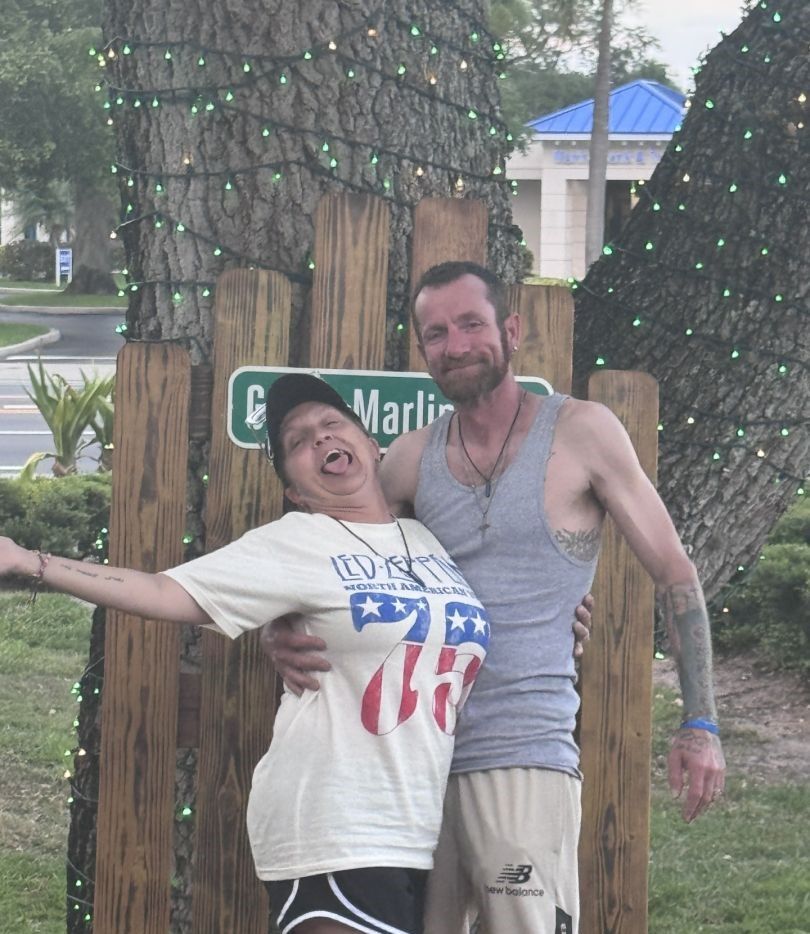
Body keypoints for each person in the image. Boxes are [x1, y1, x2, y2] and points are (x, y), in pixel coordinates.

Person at [266, 262, 727, 934]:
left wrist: (702, 724)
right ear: (422, 351)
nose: (455, 345)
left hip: (524, 757)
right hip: (412, 767)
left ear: (510, 331)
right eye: (436, 333)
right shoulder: (410, 459)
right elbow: (327, 559)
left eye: (471, 324)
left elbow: (675, 573)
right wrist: (277, 628)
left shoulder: (582, 433)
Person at [0, 373, 500, 934]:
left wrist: (569, 620)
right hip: (333, 826)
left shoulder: (433, 539)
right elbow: (164, 592)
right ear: (296, 490)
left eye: (332, 425)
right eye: (297, 441)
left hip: (432, 835)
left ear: (369, 443)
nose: (319, 439)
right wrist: (30, 562)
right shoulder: (295, 542)